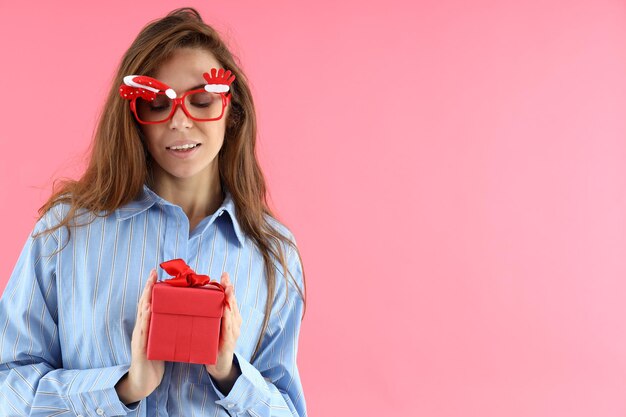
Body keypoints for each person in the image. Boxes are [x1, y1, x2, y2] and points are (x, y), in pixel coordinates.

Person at [0, 7, 307, 416]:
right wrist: (124, 387)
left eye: (201, 101)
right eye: (157, 105)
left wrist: (232, 375)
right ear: (134, 118)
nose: (180, 122)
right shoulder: (65, 232)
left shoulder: (274, 254)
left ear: (232, 113)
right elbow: (8, 384)